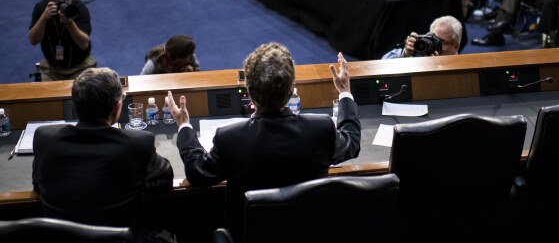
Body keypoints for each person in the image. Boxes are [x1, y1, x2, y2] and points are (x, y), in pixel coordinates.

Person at [168, 45, 360, 240]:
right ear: (291, 86)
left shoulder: (231, 138)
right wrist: (345, 93)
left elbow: (197, 173)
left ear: (249, 91)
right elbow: (351, 143)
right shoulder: (321, 128)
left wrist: (184, 126)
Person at [33, 67, 173, 235]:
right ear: (117, 108)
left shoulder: (45, 138)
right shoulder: (138, 143)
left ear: (75, 107)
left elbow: (37, 184)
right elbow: (163, 180)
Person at [28, 0, 96, 81]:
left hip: (81, 67)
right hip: (52, 70)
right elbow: (33, 41)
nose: (66, 5)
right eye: (61, 2)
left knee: (85, 92)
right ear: (50, 0)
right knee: (45, 93)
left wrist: (69, 23)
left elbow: (84, 44)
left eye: (68, 0)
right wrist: (43, 19)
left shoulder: (78, 9)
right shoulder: (41, 9)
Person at [382, 15, 463, 59]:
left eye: (441, 42)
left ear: (456, 46)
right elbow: (382, 66)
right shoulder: (415, 53)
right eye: (433, 38)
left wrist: (437, 67)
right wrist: (405, 56)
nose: (435, 44)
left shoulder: (463, 68)